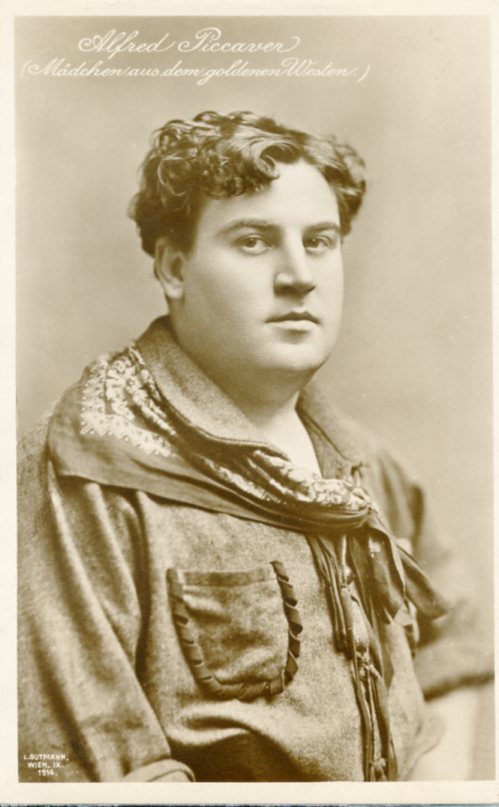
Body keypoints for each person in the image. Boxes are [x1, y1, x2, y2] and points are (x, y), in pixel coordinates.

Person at [18, 110, 492, 783]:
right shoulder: (86, 469)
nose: (299, 275)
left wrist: (438, 789)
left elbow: (454, 641)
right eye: (253, 240)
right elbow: (91, 773)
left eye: (319, 241)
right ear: (174, 267)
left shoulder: (359, 461)